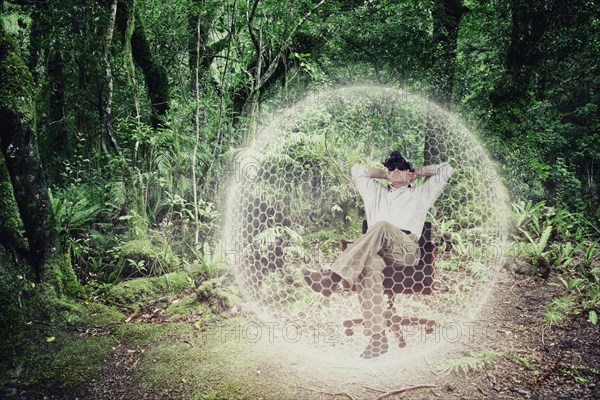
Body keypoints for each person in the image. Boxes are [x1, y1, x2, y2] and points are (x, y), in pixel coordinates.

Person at [303, 151, 453, 358]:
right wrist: (386, 174)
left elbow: (446, 169)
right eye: (392, 168)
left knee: (381, 225)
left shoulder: (421, 193)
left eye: (400, 167)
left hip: (406, 251)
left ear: (409, 174)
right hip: (378, 251)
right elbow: (357, 170)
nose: (395, 171)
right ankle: (378, 338)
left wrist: (415, 172)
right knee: (368, 265)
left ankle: (332, 278)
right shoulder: (375, 193)